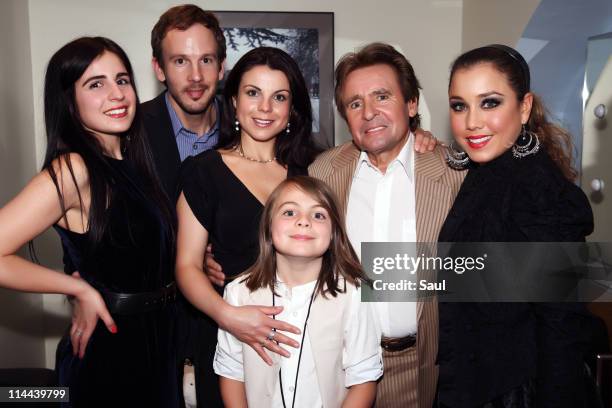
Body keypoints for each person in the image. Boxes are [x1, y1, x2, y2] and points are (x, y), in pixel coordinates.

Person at [0, 37, 178, 407]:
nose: (117, 94)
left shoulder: (135, 164)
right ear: (69, 100)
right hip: (110, 356)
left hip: (156, 344)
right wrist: (78, 289)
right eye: (95, 84)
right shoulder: (74, 169)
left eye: (122, 79)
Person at [437, 44, 595, 407]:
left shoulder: (538, 190)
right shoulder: (486, 173)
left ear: (524, 107)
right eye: (459, 105)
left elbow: (563, 325)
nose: (471, 121)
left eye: (489, 102)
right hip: (475, 382)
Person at [308, 42, 465, 408]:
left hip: (426, 367)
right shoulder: (324, 173)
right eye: (355, 103)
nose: (369, 113)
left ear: (411, 104)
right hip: (344, 367)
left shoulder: (455, 173)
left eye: (382, 96)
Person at [175, 46, 321, 407]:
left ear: (292, 110)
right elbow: (187, 266)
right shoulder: (204, 171)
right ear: (235, 102)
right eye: (253, 93)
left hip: (304, 339)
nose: (265, 108)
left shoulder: (312, 171)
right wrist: (231, 317)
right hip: (229, 340)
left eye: (279, 97)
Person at [214, 176, 383, 408]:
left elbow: (364, 379)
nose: (304, 221)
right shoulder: (238, 294)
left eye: (318, 215)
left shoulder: (354, 293)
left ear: (334, 233)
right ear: (268, 227)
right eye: (290, 212)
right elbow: (232, 372)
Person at [143, 4, 226, 199]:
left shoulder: (246, 130)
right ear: (159, 68)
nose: (196, 76)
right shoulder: (132, 132)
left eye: (206, 60)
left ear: (221, 67)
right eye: (181, 61)